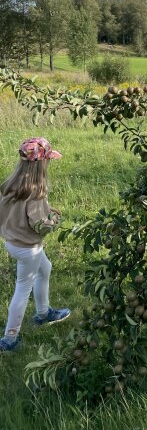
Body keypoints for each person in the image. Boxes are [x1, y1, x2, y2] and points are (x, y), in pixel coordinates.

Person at [0, 137, 70, 352]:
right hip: (29, 248)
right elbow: (40, 225)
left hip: (12, 242)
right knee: (22, 288)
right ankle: (9, 339)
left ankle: (43, 313)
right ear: (41, 164)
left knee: (45, 268)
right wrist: (53, 221)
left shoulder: (9, 185)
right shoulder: (36, 191)